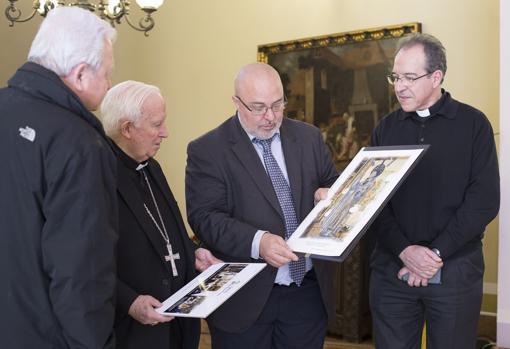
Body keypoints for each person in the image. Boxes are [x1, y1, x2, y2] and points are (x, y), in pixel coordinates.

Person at [185, 62, 338, 349]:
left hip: (306, 293)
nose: (270, 117)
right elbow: (205, 217)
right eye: (258, 107)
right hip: (244, 298)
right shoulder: (208, 150)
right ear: (236, 102)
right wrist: (259, 242)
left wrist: (328, 192)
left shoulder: (309, 137)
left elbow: (335, 182)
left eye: (277, 105)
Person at [369, 33, 500, 349]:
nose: (400, 86)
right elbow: (372, 202)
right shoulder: (385, 129)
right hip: (392, 271)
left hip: (454, 269)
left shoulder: (473, 124)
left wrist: (435, 254)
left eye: (410, 78)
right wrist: (405, 251)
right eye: (396, 77)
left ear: (437, 77)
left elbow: (484, 200)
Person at [0, 7, 118, 349]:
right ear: (80, 74)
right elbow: (82, 273)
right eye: (108, 74)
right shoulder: (79, 142)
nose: (110, 84)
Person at [100, 80, 221, 349]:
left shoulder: (151, 166)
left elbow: (166, 233)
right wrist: (129, 301)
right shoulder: (98, 175)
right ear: (127, 128)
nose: (165, 133)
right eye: (156, 124)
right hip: (133, 330)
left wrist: (193, 252)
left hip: (178, 324)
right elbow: (87, 260)